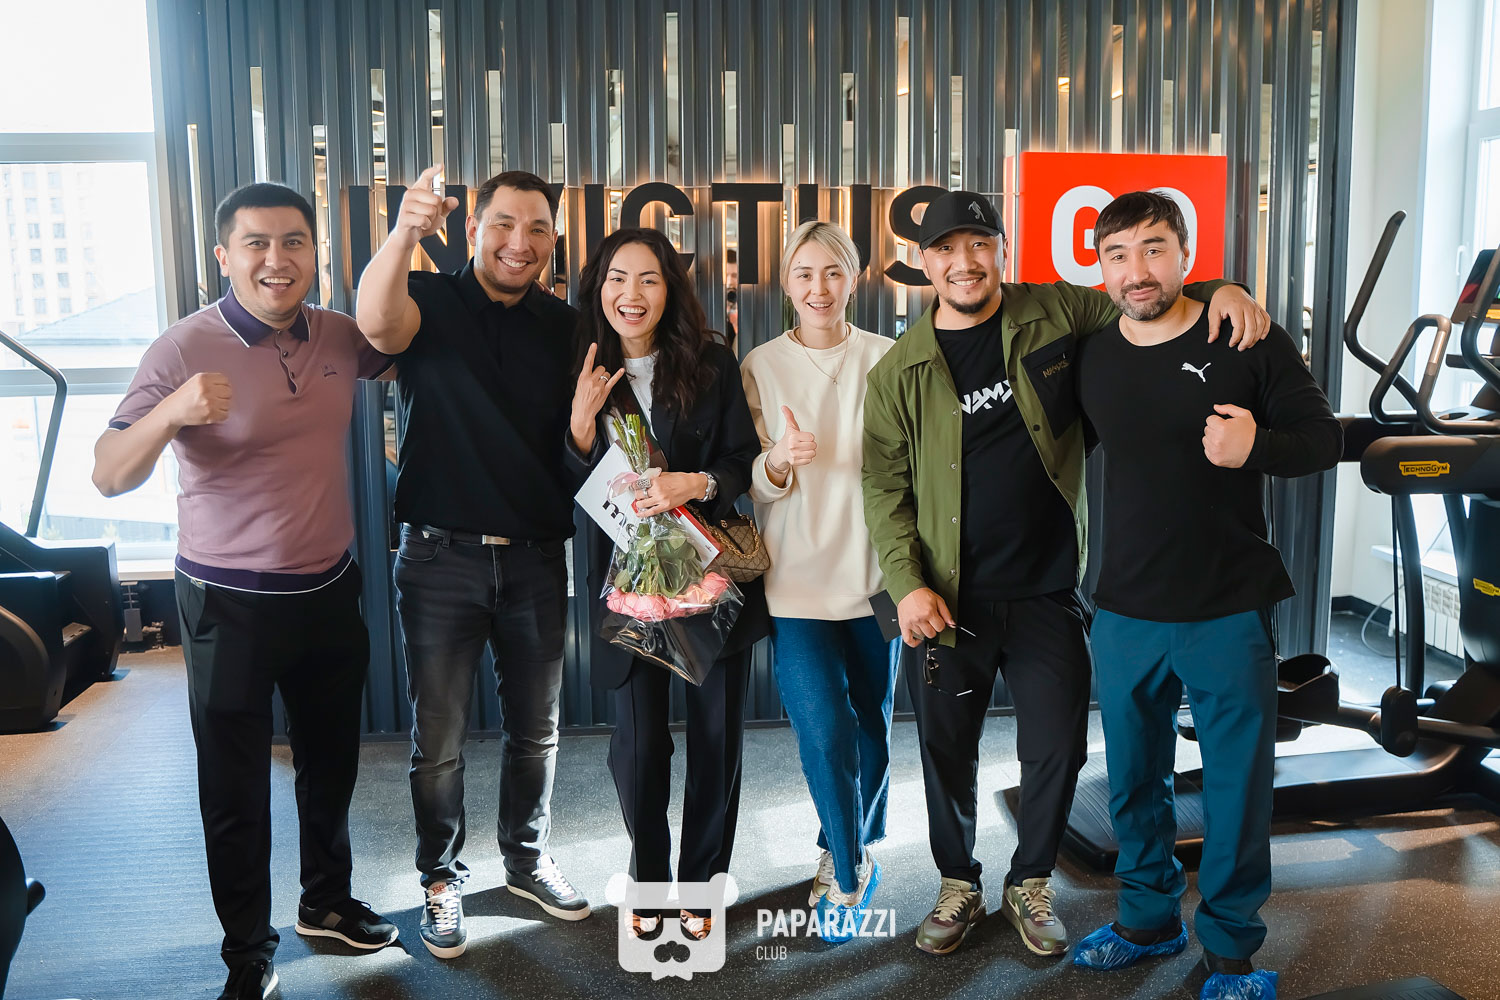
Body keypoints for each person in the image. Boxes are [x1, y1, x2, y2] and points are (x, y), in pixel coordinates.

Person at [861, 189, 1271, 959]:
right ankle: (957, 881)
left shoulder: (1055, 311)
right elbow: (882, 488)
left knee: (1057, 748)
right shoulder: (898, 371)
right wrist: (906, 582)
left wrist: (1224, 288)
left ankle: (1030, 881)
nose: (963, 262)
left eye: (978, 244)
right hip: (947, 597)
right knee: (947, 749)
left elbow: (1145, 291)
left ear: (1000, 250)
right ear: (923, 263)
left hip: (1048, 588)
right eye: (945, 250)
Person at [92, 182, 398, 1000]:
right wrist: (172, 413)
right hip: (226, 601)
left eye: (294, 242)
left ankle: (325, 903)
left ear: (314, 254)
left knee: (330, 767)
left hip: (328, 588)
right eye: (256, 243)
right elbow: (110, 475)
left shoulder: (337, 333)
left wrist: (408, 238)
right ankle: (248, 953)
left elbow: (406, 339)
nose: (276, 259)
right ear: (223, 255)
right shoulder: (182, 347)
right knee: (234, 789)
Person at [1071, 191, 1341, 1000]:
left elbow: (1323, 438)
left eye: (1154, 249)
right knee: (1133, 782)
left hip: (1226, 604)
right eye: (1118, 255)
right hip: (1125, 607)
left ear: (1185, 254)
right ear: (1100, 268)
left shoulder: (1244, 336)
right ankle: (1148, 919)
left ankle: (1230, 950)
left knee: (1234, 787)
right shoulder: (1090, 354)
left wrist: (1256, 445)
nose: (1137, 270)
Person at [354, 166, 590, 960]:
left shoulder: (566, 326)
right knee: (439, 740)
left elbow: (584, 443)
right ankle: (440, 877)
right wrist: (403, 231)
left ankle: (525, 860)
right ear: (473, 229)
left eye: (537, 229)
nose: (520, 243)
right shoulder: (428, 298)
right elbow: (377, 326)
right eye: (504, 225)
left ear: (553, 240)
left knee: (537, 732)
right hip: (438, 560)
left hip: (535, 560)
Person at [565, 226, 768, 943]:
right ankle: (649, 878)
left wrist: (696, 481)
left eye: (648, 279)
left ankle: (702, 882)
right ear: (599, 288)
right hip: (627, 585)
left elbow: (742, 460)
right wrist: (580, 430)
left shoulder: (709, 362)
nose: (632, 294)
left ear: (670, 289)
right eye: (618, 279)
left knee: (717, 741)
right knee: (640, 745)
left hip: (709, 581)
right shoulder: (581, 366)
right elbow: (560, 481)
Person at [740, 221, 898, 941]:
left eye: (832, 272)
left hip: (878, 582)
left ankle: (849, 843)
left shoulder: (887, 358)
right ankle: (849, 866)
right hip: (796, 584)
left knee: (874, 727)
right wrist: (778, 458)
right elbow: (751, 482)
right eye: (804, 273)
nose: (819, 287)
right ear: (787, 283)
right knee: (825, 732)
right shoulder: (761, 365)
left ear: (853, 279)